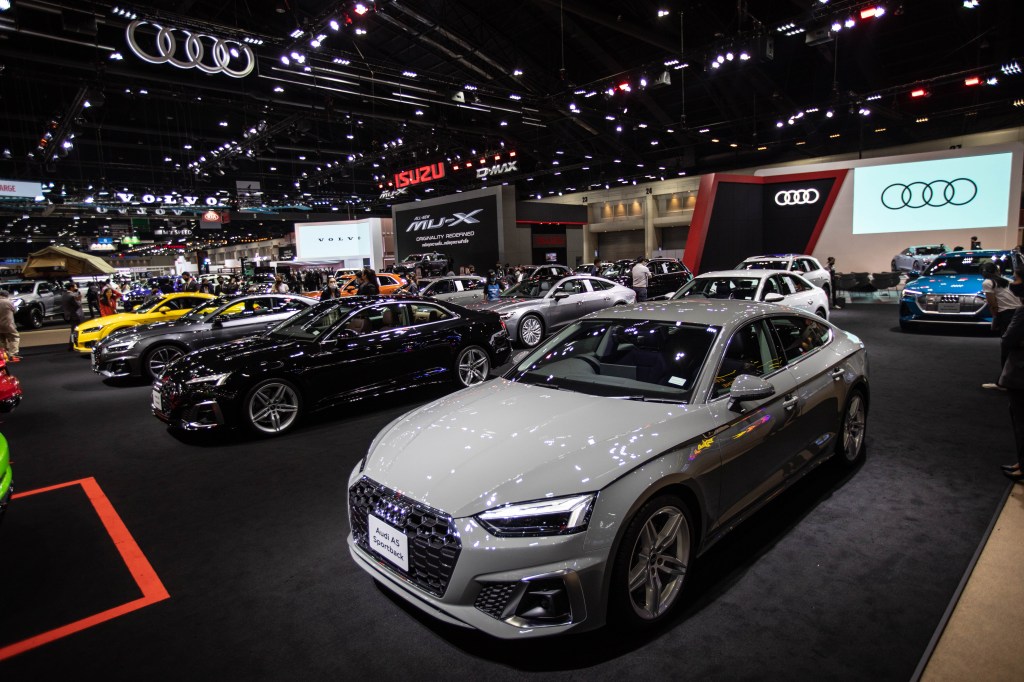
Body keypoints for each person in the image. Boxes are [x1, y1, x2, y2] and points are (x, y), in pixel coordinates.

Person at [998, 270, 1024, 482]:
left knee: (1021, 420)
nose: (1013, 283)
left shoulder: (1022, 312)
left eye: (1016, 279)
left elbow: (1007, 340)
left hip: (1020, 375)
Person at [61, 282, 84, 352]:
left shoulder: (64, 295)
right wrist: (79, 299)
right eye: (75, 286)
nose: (76, 288)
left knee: (73, 331)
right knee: (75, 331)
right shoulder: (72, 296)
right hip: (75, 315)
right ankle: (72, 345)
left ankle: (72, 345)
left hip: (69, 315)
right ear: (71, 288)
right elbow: (78, 305)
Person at [0, 290, 20, 362]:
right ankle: (13, 354)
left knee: (1, 340)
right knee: (15, 337)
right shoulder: (8, 302)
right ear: (7, 295)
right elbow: (15, 311)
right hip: (8, 325)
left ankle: (3, 355)